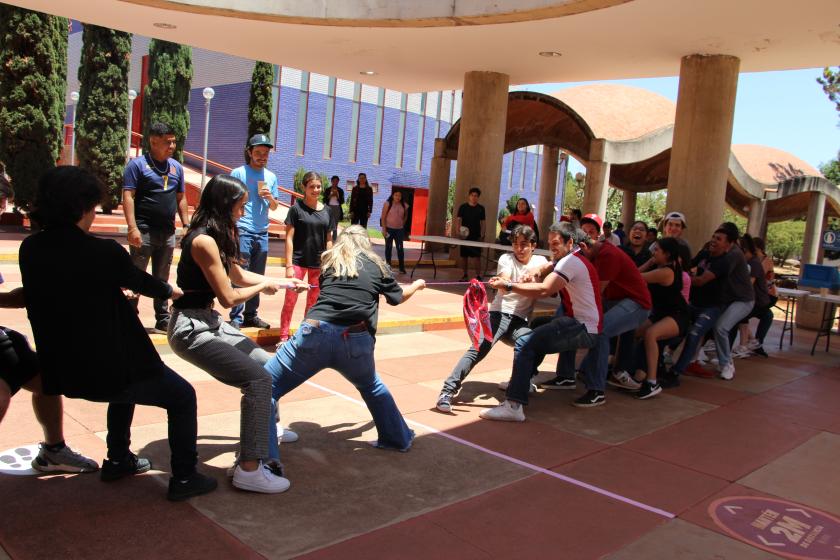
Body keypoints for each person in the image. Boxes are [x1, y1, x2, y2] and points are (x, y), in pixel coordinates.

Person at [20, 166, 215, 501]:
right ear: (82, 207)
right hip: (109, 371)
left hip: (62, 371)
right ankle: (184, 478)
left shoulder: (30, 249)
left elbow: (67, 286)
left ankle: (118, 458)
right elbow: (141, 281)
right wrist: (171, 291)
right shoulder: (104, 252)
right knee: (181, 396)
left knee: (126, 388)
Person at [168, 174, 302, 494]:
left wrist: (281, 283)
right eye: (240, 207)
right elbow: (229, 297)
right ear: (224, 205)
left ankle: (267, 431)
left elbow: (238, 274)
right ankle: (250, 469)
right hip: (191, 328)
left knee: (265, 366)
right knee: (258, 380)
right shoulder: (202, 240)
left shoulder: (217, 234)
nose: (242, 213)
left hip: (208, 321)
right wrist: (263, 286)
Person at [265, 226, 425, 452]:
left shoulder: (330, 262)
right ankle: (397, 438)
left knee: (264, 385)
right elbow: (397, 298)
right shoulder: (377, 265)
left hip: (315, 333)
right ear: (365, 242)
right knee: (371, 386)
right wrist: (416, 285)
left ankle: (262, 458)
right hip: (356, 339)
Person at [481, 222, 602, 422]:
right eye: (550, 244)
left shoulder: (569, 262)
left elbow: (546, 290)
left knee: (525, 342)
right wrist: (536, 272)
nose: (552, 248)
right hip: (582, 323)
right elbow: (550, 272)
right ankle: (525, 381)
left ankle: (514, 405)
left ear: (570, 242)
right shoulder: (573, 258)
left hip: (582, 327)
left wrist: (510, 285)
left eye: (556, 244)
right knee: (536, 326)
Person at [436, 225, 547, 413]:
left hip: (519, 321)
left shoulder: (540, 260)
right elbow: (503, 283)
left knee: (537, 342)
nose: (519, 249)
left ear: (533, 245)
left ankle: (523, 380)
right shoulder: (506, 259)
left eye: (524, 244)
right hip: (498, 315)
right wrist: (506, 283)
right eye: (515, 244)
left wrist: (536, 270)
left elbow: (551, 265)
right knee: (478, 349)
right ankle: (447, 392)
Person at [559, 215, 652, 407]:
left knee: (600, 331)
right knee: (565, 314)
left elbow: (594, 294)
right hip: (615, 300)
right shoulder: (592, 253)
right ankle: (567, 375)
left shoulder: (608, 255)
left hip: (636, 304)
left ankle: (596, 390)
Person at [123, 122, 190, 333]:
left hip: (168, 232)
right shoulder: (138, 165)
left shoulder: (176, 167)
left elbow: (181, 198)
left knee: (162, 276)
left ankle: (162, 317)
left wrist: (186, 224)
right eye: (167, 141)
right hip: (143, 231)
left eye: (173, 141)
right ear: (153, 141)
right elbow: (128, 196)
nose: (172, 145)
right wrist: (132, 227)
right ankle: (128, 316)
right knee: (136, 276)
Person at [625, 237, 690, 399]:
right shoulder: (663, 265)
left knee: (651, 334)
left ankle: (652, 382)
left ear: (667, 254)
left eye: (657, 250)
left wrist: (649, 263)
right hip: (661, 313)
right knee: (634, 333)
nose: (653, 252)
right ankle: (629, 371)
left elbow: (634, 276)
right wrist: (651, 261)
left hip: (678, 315)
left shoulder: (666, 272)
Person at [228, 133, 281, 329]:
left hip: (262, 232)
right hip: (243, 229)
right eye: (258, 152)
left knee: (258, 275)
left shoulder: (271, 177)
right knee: (241, 274)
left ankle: (251, 314)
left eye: (265, 153)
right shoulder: (238, 173)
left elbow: (274, 207)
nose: (262, 156)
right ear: (249, 152)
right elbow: (229, 201)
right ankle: (236, 316)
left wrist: (269, 198)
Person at [279, 171, 334, 343]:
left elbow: (329, 240)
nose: (316, 190)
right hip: (297, 262)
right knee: (290, 302)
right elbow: (289, 238)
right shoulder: (296, 209)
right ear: (304, 187)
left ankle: (305, 336)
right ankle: (283, 337)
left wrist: (329, 263)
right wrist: (288, 266)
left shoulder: (328, 211)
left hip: (318, 265)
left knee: (313, 304)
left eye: (318, 186)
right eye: (312, 187)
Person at [733, 234, 773, 358]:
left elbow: (749, 284)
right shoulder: (751, 262)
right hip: (756, 298)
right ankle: (752, 342)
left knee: (738, 315)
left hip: (759, 300)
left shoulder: (756, 263)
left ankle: (744, 346)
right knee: (740, 316)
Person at [456, 187, 486, 281]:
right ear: (469, 196)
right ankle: (465, 275)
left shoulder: (481, 208)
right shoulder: (463, 207)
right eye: (472, 195)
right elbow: (458, 220)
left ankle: (478, 276)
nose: (474, 197)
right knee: (464, 257)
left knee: (477, 257)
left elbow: (483, 223)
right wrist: (458, 232)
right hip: (464, 237)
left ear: (478, 197)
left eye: (476, 196)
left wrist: (482, 234)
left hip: (476, 237)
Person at [380, 190, 409, 274]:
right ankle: (388, 266)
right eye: (396, 195)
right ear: (392, 195)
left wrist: (402, 223)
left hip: (399, 230)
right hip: (389, 229)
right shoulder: (387, 204)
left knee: (400, 248)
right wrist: (384, 229)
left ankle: (401, 267)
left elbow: (406, 215)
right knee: (388, 248)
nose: (398, 197)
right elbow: (383, 217)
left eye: (399, 195)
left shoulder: (404, 205)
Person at [323, 175, 344, 241]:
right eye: (334, 181)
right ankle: (326, 239)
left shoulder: (340, 190)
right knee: (327, 223)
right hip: (329, 207)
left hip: (337, 208)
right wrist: (330, 195)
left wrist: (337, 196)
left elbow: (342, 201)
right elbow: (324, 200)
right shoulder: (328, 190)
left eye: (336, 181)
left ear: (338, 182)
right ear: (331, 181)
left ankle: (334, 240)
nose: (335, 182)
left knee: (335, 225)